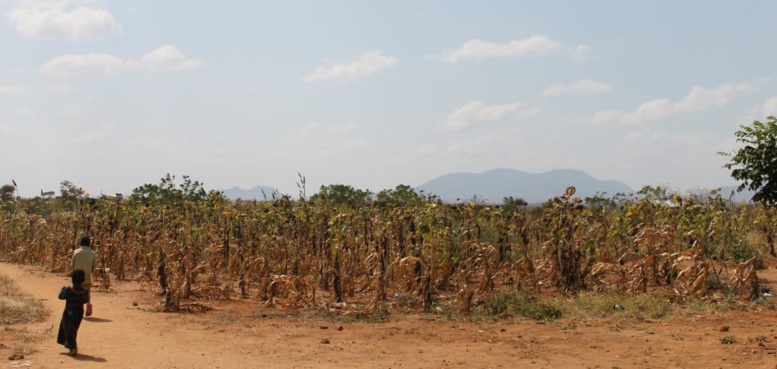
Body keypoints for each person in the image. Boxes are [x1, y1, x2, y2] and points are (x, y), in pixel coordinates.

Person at [57, 269, 90, 356]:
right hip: (79, 313)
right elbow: (85, 300)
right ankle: (71, 346)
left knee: (68, 329)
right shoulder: (85, 291)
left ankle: (72, 347)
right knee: (73, 329)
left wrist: (63, 289)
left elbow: (60, 296)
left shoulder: (69, 290)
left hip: (69, 313)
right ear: (83, 279)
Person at [72, 236, 95, 314]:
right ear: (89, 243)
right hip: (87, 274)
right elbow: (94, 265)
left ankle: (77, 308)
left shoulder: (76, 252)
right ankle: (88, 305)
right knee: (87, 291)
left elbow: (72, 264)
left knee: (76, 291)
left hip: (77, 275)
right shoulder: (92, 253)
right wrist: (90, 271)